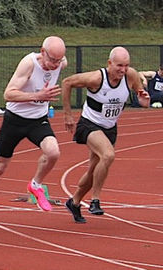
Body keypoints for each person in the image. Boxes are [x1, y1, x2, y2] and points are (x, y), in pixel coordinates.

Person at [0, 36, 67, 233]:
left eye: (59, 60)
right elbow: (8, 94)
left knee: (53, 152)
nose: (55, 65)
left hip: (38, 120)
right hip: (15, 120)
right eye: (52, 60)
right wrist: (37, 96)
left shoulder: (61, 62)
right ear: (42, 52)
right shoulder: (28, 63)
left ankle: (35, 184)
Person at [61, 47, 149, 223]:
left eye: (126, 66)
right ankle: (95, 200)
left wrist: (143, 99)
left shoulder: (130, 75)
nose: (122, 70)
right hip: (89, 124)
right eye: (119, 66)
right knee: (108, 155)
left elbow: (141, 96)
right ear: (109, 63)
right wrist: (68, 114)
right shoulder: (96, 78)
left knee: (94, 170)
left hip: (110, 128)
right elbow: (67, 82)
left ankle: (75, 201)